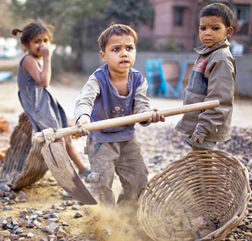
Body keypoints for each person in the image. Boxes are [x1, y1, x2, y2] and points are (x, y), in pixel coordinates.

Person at [74, 23, 165, 207]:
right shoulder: (98, 79)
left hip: (127, 139)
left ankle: (126, 216)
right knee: (101, 181)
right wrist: (83, 117)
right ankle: (106, 219)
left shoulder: (139, 79)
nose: (124, 53)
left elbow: (141, 106)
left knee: (138, 178)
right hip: (101, 139)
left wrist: (148, 115)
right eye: (116, 49)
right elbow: (85, 100)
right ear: (103, 56)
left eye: (129, 48)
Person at [12, 21, 89, 177]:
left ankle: (82, 168)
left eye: (45, 41)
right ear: (27, 44)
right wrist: (48, 58)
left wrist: (45, 59)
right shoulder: (28, 60)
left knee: (65, 137)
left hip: (46, 104)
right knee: (57, 141)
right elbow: (44, 81)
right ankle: (68, 176)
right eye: (37, 41)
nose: (42, 45)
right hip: (38, 107)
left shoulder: (38, 58)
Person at [175, 2, 236, 151]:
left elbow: (219, 101)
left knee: (204, 167)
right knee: (199, 165)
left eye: (215, 28)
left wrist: (202, 129)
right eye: (203, 28)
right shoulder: (207, 54)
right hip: (199, 124)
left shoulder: (220, 58)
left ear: (228, 31)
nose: (207, 33)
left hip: (207, 128)